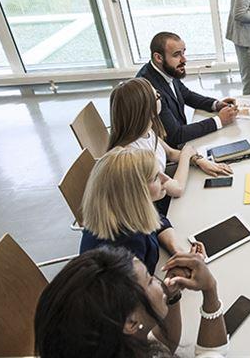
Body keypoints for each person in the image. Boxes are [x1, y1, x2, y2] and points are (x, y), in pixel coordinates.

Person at [34, 246, 228, 358]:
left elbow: (163, 345)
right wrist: (210, 289)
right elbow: (213, 353)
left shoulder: (112, 344)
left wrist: (171, 296)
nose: (159, 282)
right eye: (150, 280)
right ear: (131, 323)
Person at [108, 78, 233, 215]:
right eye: (157, 96)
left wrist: (199, 160)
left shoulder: (146, 130)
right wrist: (186, 154)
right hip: (156, 210)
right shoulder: (133, 154)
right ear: (146, 108)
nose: (160, 98)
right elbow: (177, 189)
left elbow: (171, 153)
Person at [80, 147, 184, 275]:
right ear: (134, 192)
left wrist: (176, 249)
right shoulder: (126, 246)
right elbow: (137, 293)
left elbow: (157, 218)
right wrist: (171, 286)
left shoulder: (121, 211)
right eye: (156, 177)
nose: (166, 179)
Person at [137, 32, 238, 148]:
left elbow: (186, 95)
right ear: (159, 58)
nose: (184, 59)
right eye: (177, 55)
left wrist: (216, 104)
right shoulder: (150, 89)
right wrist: (219, 120)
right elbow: (176, 135)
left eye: (183, 52)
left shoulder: (165, 70)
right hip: (166, 152)